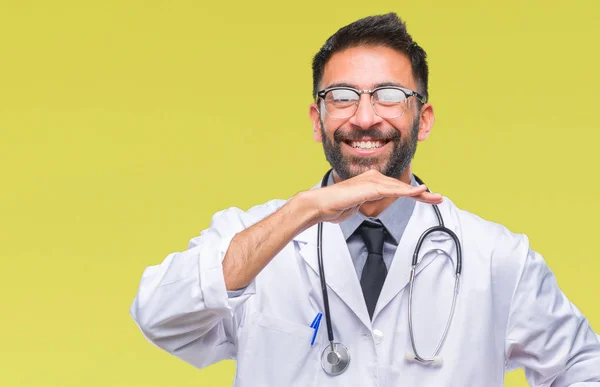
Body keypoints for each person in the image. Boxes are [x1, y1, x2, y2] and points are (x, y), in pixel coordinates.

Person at [129, 13, 600, 387]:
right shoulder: (256, 238)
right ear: (317, 120)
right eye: (343, 96)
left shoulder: (497, 256)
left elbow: (583, 367)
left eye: (389, 96)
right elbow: (160, 317)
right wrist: (303, 210)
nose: (365, 116)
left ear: (424, 119)